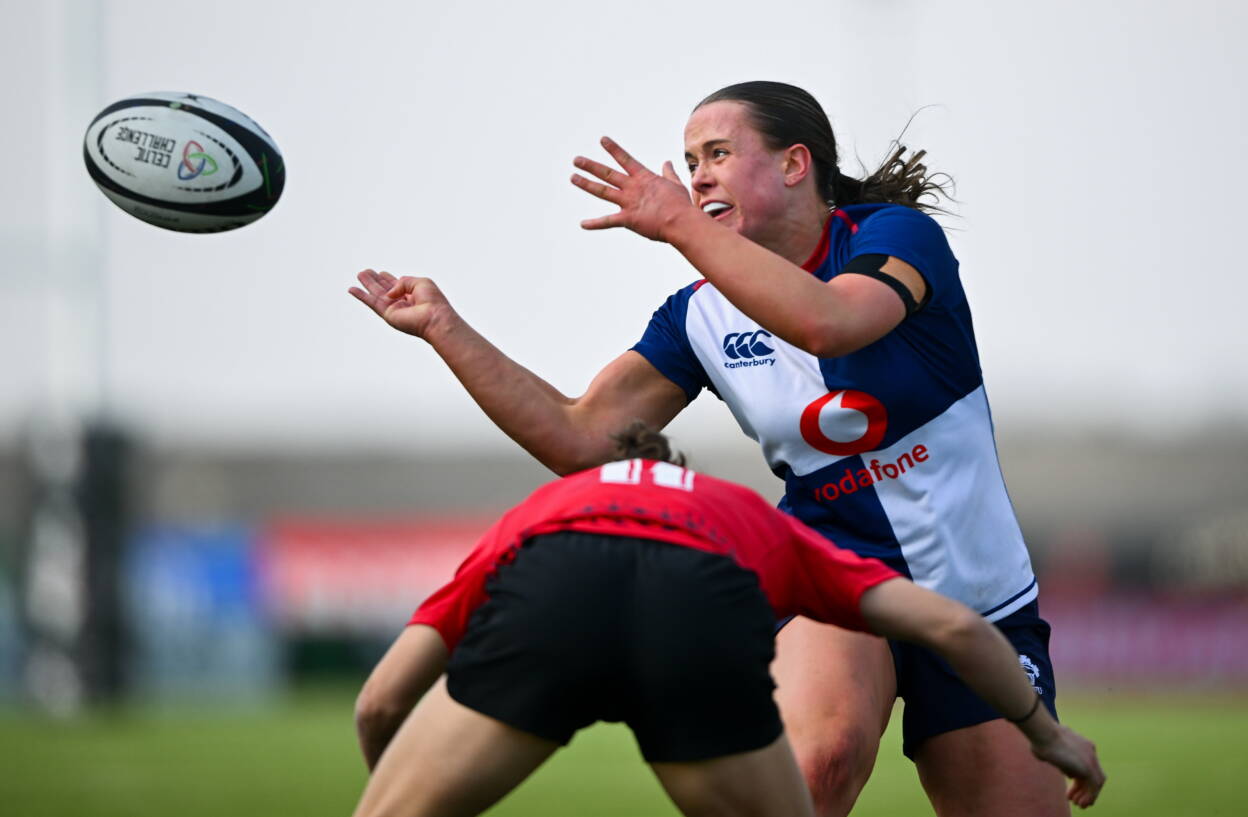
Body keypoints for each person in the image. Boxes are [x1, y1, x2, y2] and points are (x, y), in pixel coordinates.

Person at [349, 81, 1074, 816]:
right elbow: (580, 438)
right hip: (835, 578)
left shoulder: (894, 237)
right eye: (691, 159)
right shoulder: (698, 315)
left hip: (982, 597)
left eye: (719, 154)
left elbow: (830, 322)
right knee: (816, 765)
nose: (696, 176)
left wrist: (678, 225)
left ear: (796, 164)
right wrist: (446, 328)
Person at [351, 425, 1103, 817]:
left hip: (555, 583)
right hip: (697, 593)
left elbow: (382, 699)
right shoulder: (741, 513)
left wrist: (408, 783)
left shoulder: (539, 511)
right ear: (680, 473)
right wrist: (1049, 734)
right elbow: (956, 628)